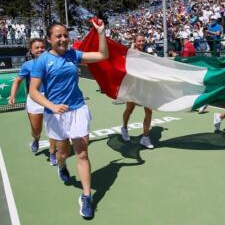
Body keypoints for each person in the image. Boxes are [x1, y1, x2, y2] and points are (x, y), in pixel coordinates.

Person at [29, 19, 108, 218]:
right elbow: (33, 91)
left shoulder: (74, 55)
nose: (63, 39)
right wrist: (52, 106)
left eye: (65, 35)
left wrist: (100, 32)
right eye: (59, 36)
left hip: (78, 109)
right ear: (49, 39)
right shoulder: (41, 61)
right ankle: (62, 166)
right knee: (62, 153)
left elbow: (102, 55)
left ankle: (86, 197)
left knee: (82, 154)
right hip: (56, 115)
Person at [8, 38, 57, 165]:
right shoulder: (27, 65)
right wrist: (12, 95)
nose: (40, 49)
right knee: (36, 129)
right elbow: (17, 81)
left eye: (42, 47)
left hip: (51, 98)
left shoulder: (53, 61)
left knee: (53, 129)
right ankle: (36, 139)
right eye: (37, 47)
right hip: (34, 99)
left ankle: (53, 153)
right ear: (31, 50)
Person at [120, 34, 154, 149]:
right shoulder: (130, 54)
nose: (141, 43)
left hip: (146, 87)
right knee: (129, 110)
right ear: (135, 42)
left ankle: (145, 137)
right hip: (133, 87)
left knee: (149, 111)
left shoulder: (147, 54)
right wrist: (132, 49)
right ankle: (124, 127)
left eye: (143, 41)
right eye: (139, 41)